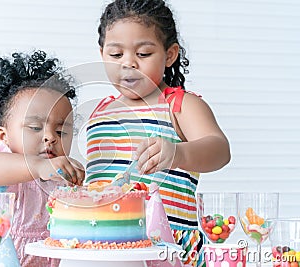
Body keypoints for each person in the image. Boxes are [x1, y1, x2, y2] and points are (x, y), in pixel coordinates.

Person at [85, 1, 231, 267]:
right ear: (102, 53)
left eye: (143, 53)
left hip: (167, 247)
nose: (128, 63)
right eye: (116, 55)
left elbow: (220, 149)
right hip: (103, 244)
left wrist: (178, 152)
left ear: (170, 54)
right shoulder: (99, 111)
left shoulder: (180, 104)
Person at [0, 50, 85, 267]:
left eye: (60, 131)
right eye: (35, 127)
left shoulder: (59, 176)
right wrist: (39, 166)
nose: (50, 137)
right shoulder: (0, 159)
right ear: (4, 136)